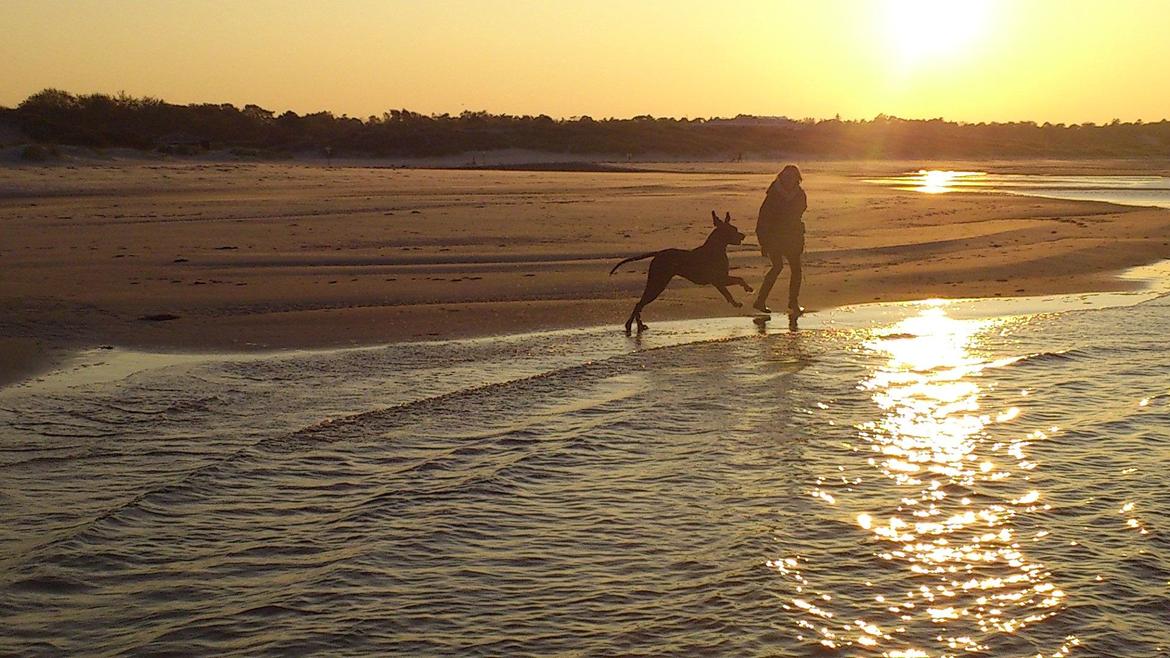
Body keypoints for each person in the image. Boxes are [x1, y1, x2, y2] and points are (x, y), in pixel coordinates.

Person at [754, 164, 807, 315]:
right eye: (788, 177)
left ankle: (792, 302)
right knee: (779, 267)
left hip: (791, 237)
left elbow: (800, 211)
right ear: (782, 178)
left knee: (794, 269)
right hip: (775, 237)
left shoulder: (798, 194)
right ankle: (762, 301)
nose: (790, 180)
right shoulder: (774, 195)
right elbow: (763, 219)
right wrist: (763, 242)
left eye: (793, 178)